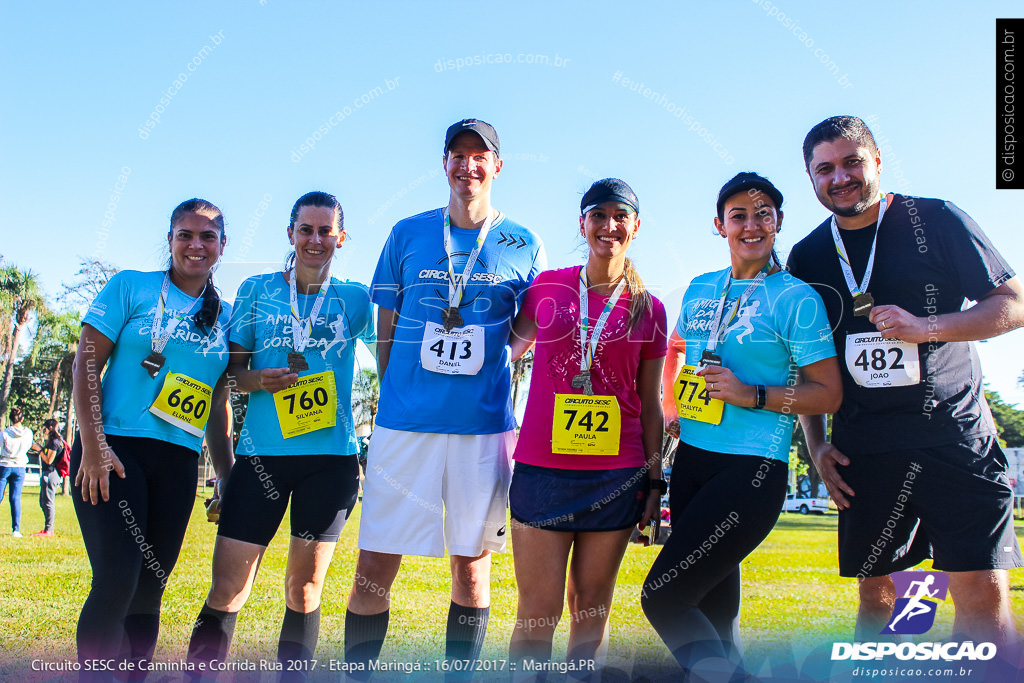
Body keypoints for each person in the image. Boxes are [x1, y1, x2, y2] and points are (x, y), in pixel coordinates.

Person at [787, 116, 1024, 649]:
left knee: (982, 602)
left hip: (953, 437)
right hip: (865, 452)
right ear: (811, 178)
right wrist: (818, 443)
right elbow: (810, 361)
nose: (840, 177)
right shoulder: (807, 256)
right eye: (825, 169)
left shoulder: (936, 219)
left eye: (852, 162)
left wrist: (927, 327)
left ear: (876, 160)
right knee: (880, 606)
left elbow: (1013, 303)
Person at [346, 119, 545, 672]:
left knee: (472, 570)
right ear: (444, 164)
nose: (468, 166)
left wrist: (497, 361)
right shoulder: (408, 233)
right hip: (403, 423)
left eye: (479, 156)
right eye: (457, 155)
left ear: (497, 166)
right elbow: (385, 321)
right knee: (374, 566)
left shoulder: (523, 242)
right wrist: (397, 384)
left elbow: (523, 332)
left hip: (482, 428)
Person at [642, 172, 841, 678]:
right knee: (712, 609)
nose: (751, 225)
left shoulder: (797, 298)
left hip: (751, 469)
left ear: (777, 222)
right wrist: (673, 409)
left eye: (762, 214)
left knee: (664, 598)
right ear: (719, 225)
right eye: (738, 216)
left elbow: (827, 393)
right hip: (691, 461)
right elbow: (680, 350)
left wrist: (751, 394)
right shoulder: (702, 287)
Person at [186, 191, 374, 679]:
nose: (315, 240)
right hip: (262, 456)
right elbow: (230, 376)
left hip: (330, 460)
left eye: (325, 230)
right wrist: (257, 380)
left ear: (341, 236)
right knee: (229, 586)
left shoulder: (356, 298)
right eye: (305, 230)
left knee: (305, 589)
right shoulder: (256, 289)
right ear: (290, 234)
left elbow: (396, 353)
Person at [507, 178, 667, 674]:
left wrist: (655, 481)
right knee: (538, 614)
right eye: (598, 215)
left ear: (636, 227)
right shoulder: (547, 288)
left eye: (621, 216)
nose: (609, 226)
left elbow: (650, 402)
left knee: (590, 612)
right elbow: (502, 354)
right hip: (542, 471)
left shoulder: (650, 309)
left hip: (615, 476)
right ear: (583, 224)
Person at [72, 198, 234, 678]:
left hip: (178, 462)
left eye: (207, 237)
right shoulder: (131, 287)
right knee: (117, 581)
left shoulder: (225, 315)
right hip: (114, 451)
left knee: (150, 586)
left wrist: (225, 475)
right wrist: (95, 446)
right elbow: (85, 362)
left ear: (222, 246)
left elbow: (217, 402)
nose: (195, 245)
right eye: (185, 234)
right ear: (169, 241)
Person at [0, 406, 33, 537]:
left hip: (5, 465)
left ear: (10, 419)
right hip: (20, 466)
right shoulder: (28, 433)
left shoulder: (4, 433)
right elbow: (29, 446)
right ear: (22, 418)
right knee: (15, 498)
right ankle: (16, 529)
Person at [32, 418, 66, 537]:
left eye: (45, 428)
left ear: (50, 428)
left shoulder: (55, 442)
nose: (44, 430)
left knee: (48, 502)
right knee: (43, 501)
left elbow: (48, 460)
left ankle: (49, 530)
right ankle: (47, 528)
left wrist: (39, 450)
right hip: (50, 473)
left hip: (51, 474)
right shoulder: (55, 440)